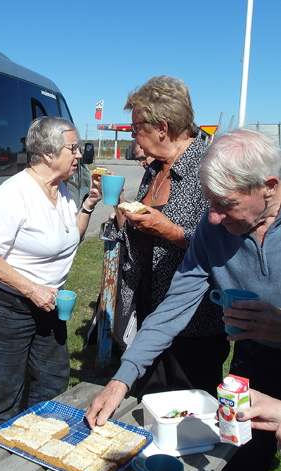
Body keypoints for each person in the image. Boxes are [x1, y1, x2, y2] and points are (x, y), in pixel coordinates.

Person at [86, 128, 281, 471]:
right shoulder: (213, 230)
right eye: (210, 202)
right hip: (251, 358)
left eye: (226, 204)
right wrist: (121, 379)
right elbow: (175, 306)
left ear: (268, 185)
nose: (212, 218)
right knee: (240, 462)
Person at [0, 116, 101, 429]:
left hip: (49, 302)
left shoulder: (63, 192)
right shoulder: (15, 193)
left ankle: (36, 443)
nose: (79, 154)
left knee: (53, 380)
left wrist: (88, 205)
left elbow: (73, 234)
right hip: (7, 306)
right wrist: (32, 289)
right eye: (72, 148)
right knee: (5, 392)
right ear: (48, 154)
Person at [106, 75, 227, 399]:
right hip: (146, 313)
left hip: (193, 324)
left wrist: (170, 231)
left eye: (136, 128)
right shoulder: (154, 168)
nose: (133, 137)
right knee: (143, 410)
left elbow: (225, 247)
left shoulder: (210, 168)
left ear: (162, 127)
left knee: (187, 422)